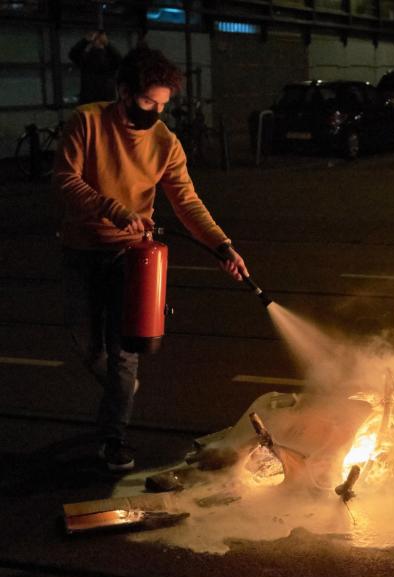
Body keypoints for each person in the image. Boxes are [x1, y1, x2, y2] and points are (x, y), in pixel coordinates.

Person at [53, 46, 248, 472]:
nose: (155, 113)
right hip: (81, 250)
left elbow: (187, 202)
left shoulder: (165, 143)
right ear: (123, 91)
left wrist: (222, 245)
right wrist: (112, 208)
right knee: (87, 345)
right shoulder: (87, 122)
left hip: (132, 256)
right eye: (147, 102)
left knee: (124, 351)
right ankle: (122, 389)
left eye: (162, 105)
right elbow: (65, 179)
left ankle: (113, 437)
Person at [69, 30, 122, 105]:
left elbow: (73, 54)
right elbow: (73, 54)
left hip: (93, 99)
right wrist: (107, 44)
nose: (98, 40)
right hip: (103, 99)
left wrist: (85, 41)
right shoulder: (88, 58)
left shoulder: (86, 58)